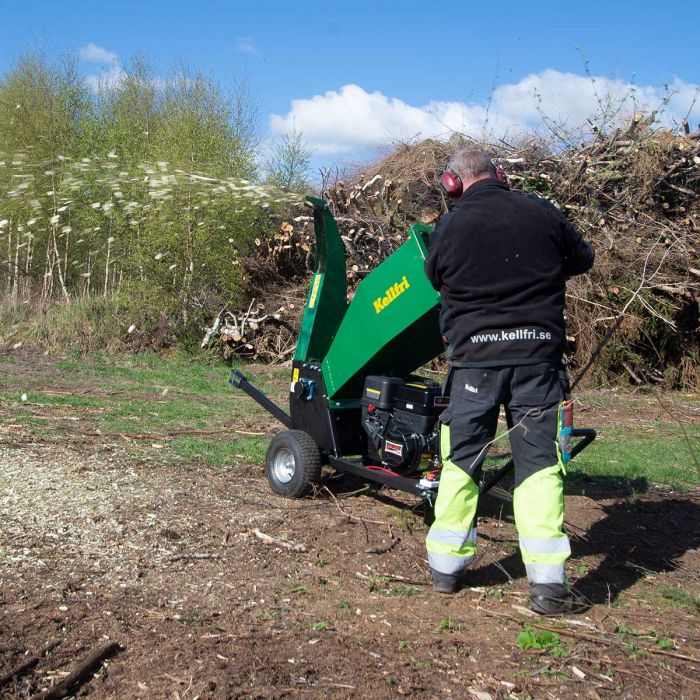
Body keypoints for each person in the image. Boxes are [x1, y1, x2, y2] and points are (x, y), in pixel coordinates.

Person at [424, 146, 594, 615]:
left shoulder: (451, 225)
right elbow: (583, 258)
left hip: (473, 366)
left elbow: (433, 275)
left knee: (462, 459)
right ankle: (547, 585)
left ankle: (446, 570)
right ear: (500, 174)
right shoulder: (541, 212)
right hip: (537, 362)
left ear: (452, 183)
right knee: (539, 466)